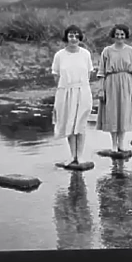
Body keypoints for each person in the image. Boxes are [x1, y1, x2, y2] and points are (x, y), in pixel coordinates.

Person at [51, 25, 94, 166]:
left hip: (82, 91)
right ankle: (72, 156)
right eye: (71, 36)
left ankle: (80, 156)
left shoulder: (85, 54)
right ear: (66, 37)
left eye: (76, 36)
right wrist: (65, 89)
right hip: (65, 92)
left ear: (80, 37)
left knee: (80, 124)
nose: (73, 38)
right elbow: (56, 76)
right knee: (69, 123)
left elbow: (88, 74)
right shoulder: (59, 55)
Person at [96, 23, 132, 153]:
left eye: (122, 34)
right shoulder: (107, 51)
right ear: (113, 36)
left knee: (124, 113)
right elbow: (101, 72)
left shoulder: (131, 51)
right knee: (112, 113)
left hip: (127, 82)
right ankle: (114, 144)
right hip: (111, 82)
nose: (119, 36)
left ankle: (122, 143)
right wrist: (101, 89)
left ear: (126, 36)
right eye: (117, 34)